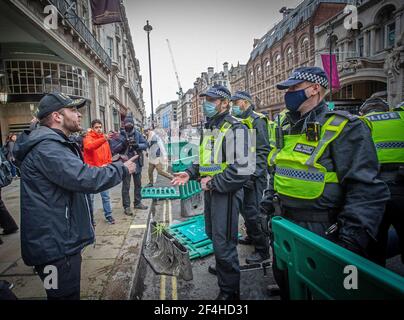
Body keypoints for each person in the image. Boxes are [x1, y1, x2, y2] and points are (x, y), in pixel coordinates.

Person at [259, 67, 390, 299]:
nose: (288, 93)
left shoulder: (345, 126)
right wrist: (267, 208)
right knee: (290, 288)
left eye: (293, 88)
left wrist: (349, 243)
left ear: (314, 89)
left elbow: (366, 190)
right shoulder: (285, 127)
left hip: (324, 230)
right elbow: (276, 168)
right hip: (285, 226)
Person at [13, 92, 138, 300]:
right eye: (73, 110)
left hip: (56, 241)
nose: (79, 115)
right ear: (57, 116)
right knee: (64, 295)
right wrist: (121, 169)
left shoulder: (51, 142)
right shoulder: (48, 147)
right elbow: (85, 178)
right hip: (56, 248)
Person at [172, 85, 250, 300]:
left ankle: (230, 293)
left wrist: (213, 184)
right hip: (212, 190)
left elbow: (242, 169)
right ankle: (225, 270)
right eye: (206, 99)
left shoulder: (236, 128)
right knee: (213, 236)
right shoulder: (211, 127)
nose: (207, 103)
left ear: (225, 103)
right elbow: (203, 161)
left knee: (224, 242)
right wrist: (189, 173)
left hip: (226, 192)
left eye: (212, 100)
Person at [360, 98, 404, 265]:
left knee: (374, 247)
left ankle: (378, 286)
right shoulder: (401, 118)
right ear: (387, 110)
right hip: (402, 187)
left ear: (363, 112)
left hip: (373, 192)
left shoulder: (361, 123)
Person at [230, 90, 271, 263]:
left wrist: (254, 175)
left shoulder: (257, 120)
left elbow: (262, 150)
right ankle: (252, 237)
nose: (233, 106)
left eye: (236, 103)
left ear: (246, 102)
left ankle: (263, 251)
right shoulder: (238, 121)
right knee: (244, 211)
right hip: (243, 175)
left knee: (253, 212)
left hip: (254, 176)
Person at [112, 115, 148, 215]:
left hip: (137, 162)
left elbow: (145, 144)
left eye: (130, 123)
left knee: (138, 184)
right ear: (124, 124)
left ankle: (137, 202)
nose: (129, 125)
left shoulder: (138, 134)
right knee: (126, 186)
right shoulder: (121, 135)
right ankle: (127, 207)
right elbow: (115, 148)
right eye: (127, 123)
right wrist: (124, 143)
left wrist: (137, 145)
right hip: (126, 164)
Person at [83, 119, 116, 225]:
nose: (99, 129)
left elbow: (108, 154)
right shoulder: (88, 138)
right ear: (92, 128)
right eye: (96, 127)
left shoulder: (104, 138)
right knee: (91, 198)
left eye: (100, 127)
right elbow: (89, 147)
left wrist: (108, 163)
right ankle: (91, 219)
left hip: (103, 171)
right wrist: (103, 139)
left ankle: (108, 215)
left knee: (106, 196)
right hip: (92, 172)